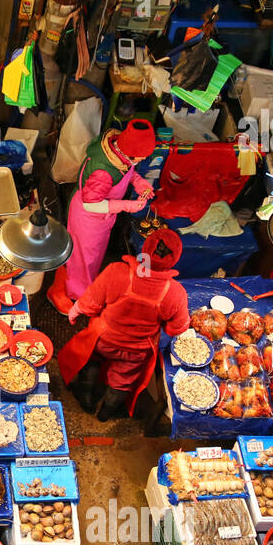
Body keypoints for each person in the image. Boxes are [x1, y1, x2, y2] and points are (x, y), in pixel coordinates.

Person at [57, 227, 190, 421]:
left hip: (104, 339)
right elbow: (176, 327)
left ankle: (86, 396)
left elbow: (91, 302)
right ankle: (107, 412)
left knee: (93, 360)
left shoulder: (116, 272)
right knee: (123, 380)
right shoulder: (176, 293)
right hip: (137, 350)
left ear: (144, 248)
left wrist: (75, 310)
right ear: (174, 259)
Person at [57, 118, 157, 304]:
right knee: (83, 259)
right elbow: (91, 204)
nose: (143, 159)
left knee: (94, 255)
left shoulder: (118, 149)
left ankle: (88, 286)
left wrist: (138, 182)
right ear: (130, 153)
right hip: (88, 217)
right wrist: (126, 205)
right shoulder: (102, 172)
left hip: (103, 216)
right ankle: (79, 298)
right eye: (141, 157)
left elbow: (127, 170)